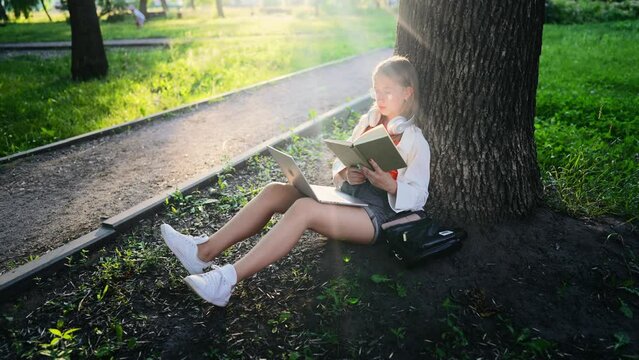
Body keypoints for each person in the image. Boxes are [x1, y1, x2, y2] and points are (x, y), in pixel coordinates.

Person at [160, 55, 431, 307]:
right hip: (351, 198)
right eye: (376, 90)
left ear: (408, 92)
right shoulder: (367, 122)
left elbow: (420, 196)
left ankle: (225, 281)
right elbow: (344, 161)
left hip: (377, 216)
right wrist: (347, 173)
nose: (380, 97)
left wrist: (391, 185)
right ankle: (202, 253)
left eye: (388, 91)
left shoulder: (414, 140)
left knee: (304, 209)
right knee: (275, 192)